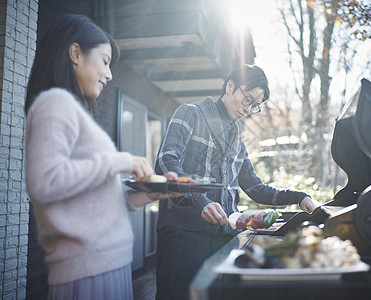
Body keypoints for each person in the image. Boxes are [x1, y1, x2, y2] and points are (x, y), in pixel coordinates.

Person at [25, 14, 178, 300]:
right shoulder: (54, 102)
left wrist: (146, 195)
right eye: (105, 61)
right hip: (88, 270)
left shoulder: (72, 109)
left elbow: (92, 196)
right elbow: (45, 182)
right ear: (75, 53)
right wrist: (121, 161)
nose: (109, 75)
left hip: (106, 264)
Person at [154, 64, 319, 300]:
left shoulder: (237, 141)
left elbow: (256, 189)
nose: (248, 109)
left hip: (222, 239)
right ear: (230, 86)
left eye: (254, 106)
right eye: (247, 99)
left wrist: (299, 196)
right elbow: (166, 161)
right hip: (183, 235)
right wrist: (201, 201)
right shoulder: (190, 113)